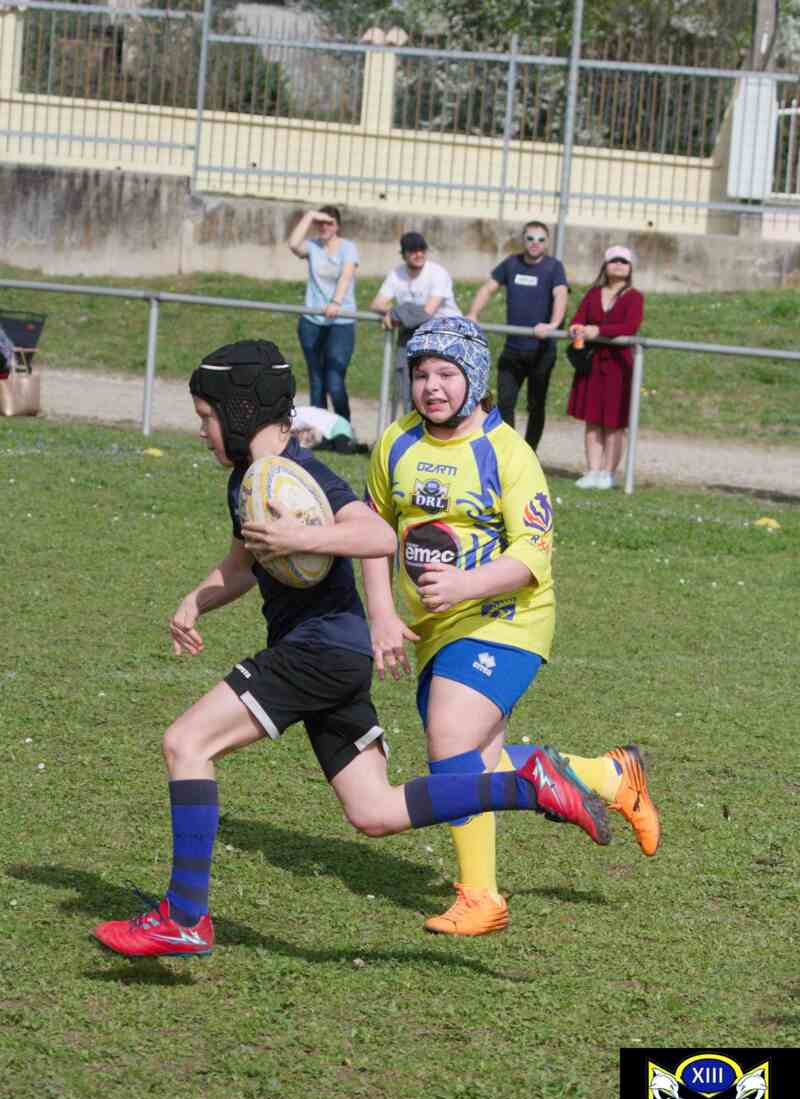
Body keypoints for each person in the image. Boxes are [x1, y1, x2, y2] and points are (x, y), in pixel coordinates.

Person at [92, 338, 656, 959]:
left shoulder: (302, 474)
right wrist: (196, 600)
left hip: (318, 650)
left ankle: (184, 916)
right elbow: (244, 562)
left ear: (239, 412)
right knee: (375, 812)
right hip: (335, 657)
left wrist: (307, 537)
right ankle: (528, 782)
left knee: (186, 743)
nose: (201, 431)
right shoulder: (252, 480)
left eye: (206, 417)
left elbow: (376, 534)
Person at [363, 316, 660, 937]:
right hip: (437, 626)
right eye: (421, 374)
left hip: (509, 618)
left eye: (447, 374)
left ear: (474, 379)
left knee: (450, 739)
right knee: (479, 763)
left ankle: (481, 898)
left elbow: (532, 555)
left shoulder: (507, 453)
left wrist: (464, 585)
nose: (432, 387)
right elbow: (372, 529)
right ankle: (610, 776)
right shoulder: (395, 441)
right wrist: (383, 612)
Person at [466, 220, 567, 451]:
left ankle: (529, 453)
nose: (535, 243)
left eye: (540, 239)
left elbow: (560, 294)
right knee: (505, 403)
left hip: (541, 351)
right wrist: (472, 313)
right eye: (530, 238)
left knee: (536, 405)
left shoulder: (554, 267)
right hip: (513, 349)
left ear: (547, 243)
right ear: (523, 240)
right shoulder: (511, 263)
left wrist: (553, 324)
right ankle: (509, 452)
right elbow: (488, 288)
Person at [567, 246, 644, 490]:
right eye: (614, 260)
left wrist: (598, 331)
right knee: (592, 420)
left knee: (614, 423)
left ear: (630, 268)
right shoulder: (593, 294)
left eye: (624, 261)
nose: (618, 265)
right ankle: (592, 470)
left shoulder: (634, 297)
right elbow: (579, 317)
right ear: (605, 266)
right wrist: (576, 327)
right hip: (592, 364)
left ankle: (608, 473)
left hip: (619, 366)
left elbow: (630, 326)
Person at [370, 232, 461, 412]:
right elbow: (376, 304)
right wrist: (393, 312)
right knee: (408, 387)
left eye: (422, 250)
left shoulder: (438, 273)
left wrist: (395, 313)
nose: (419, 254)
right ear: (403, 254)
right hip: (412, 335)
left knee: (437, 390)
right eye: (413, 251)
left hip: (444, 335)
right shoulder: (396, 273)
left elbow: (427, 313)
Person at [288, 205, 358, 421]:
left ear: (338, 226)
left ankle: (344, 431)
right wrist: (310, 216)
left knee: (334, 382)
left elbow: (346, 276)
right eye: (321, 223)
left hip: (341, 322)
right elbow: (293, 244)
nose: (325, 227)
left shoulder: (348, 248)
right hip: (311, 322)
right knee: (317, 381)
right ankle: (319, 431)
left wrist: (336, 302)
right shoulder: (313, 246)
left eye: (330, 223)